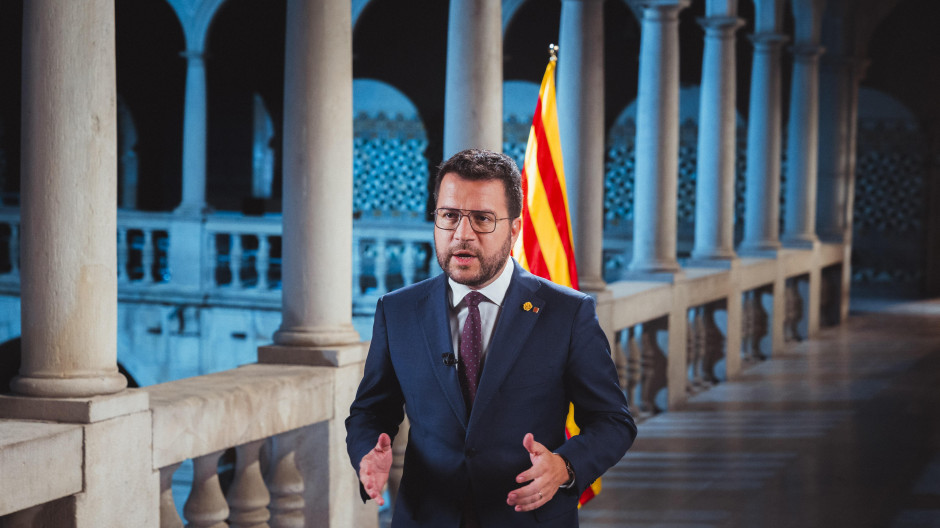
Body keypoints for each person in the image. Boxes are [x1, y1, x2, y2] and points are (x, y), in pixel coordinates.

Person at [346, 148, 636, 527]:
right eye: (448, 216)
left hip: (528, 516)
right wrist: (368, 451)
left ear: (514, 229)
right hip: (426, 515)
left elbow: (613, 421)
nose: (461, 235)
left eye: (482, 219)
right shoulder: (397, 310)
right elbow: (371, 410)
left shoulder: (567, 313)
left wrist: (565, 466)